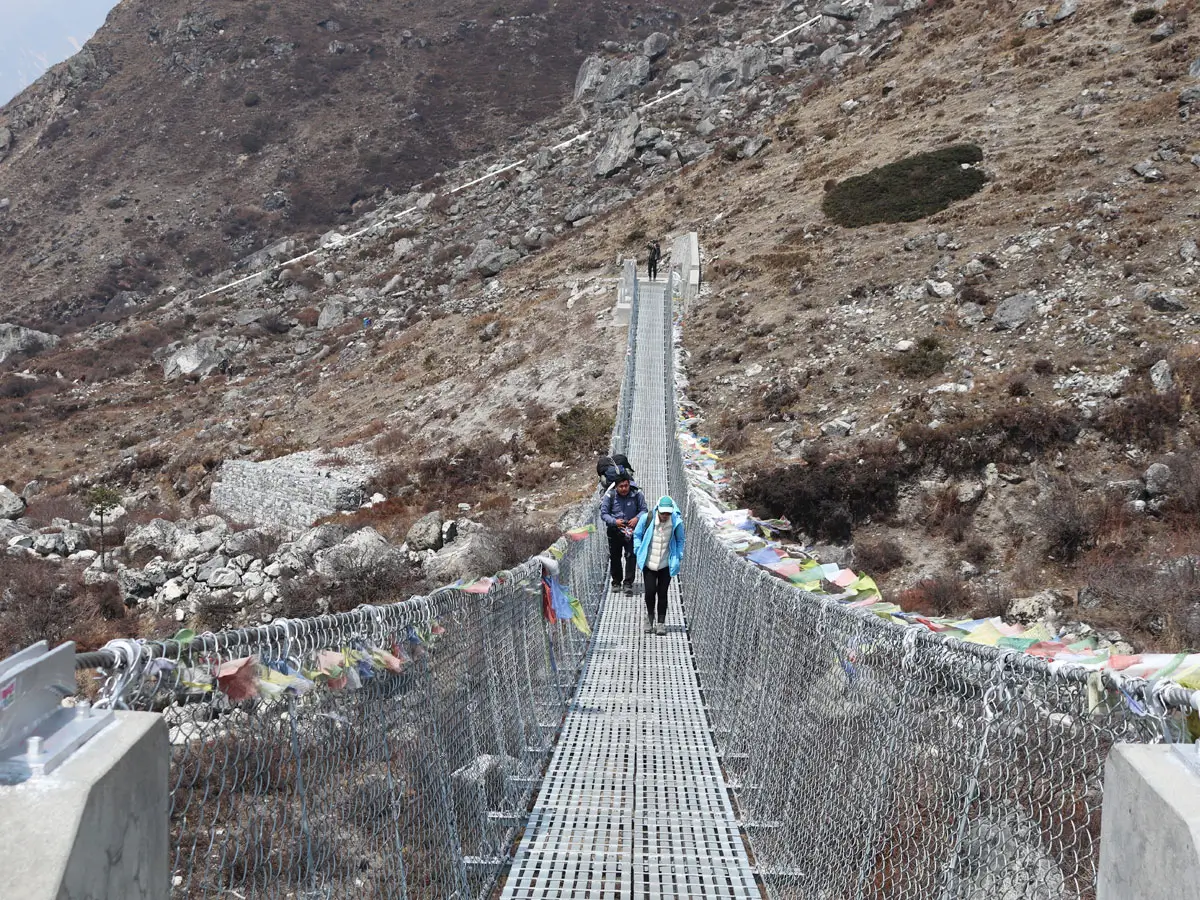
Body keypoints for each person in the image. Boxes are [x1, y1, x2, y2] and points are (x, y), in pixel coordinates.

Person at [634, 495, 685, 635]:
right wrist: (638, 551)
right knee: (650, 592)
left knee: (662, 593)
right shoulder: (647, 518)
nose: (665, 516)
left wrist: (678, 555)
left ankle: (661, 623)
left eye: (668, 513)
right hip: (649, 563)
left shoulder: (676, 522)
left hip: (666, 565)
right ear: (658, 510)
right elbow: (637, 535)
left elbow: (681, 540)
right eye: (663, 513)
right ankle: (650, 618)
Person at [600, 474, 647, 595]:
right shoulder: (610, 496)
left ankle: (628, 583)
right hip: (615, 530)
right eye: (621, 486)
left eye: (626, 485)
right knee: (615, 556)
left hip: (632, 530)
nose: (624, 489)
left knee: (631, 556)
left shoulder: (637, 494)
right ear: (616, 487)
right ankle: (616, 581)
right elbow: (604, 514)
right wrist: (615, 522)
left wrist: (637, 519)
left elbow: (644, 510)